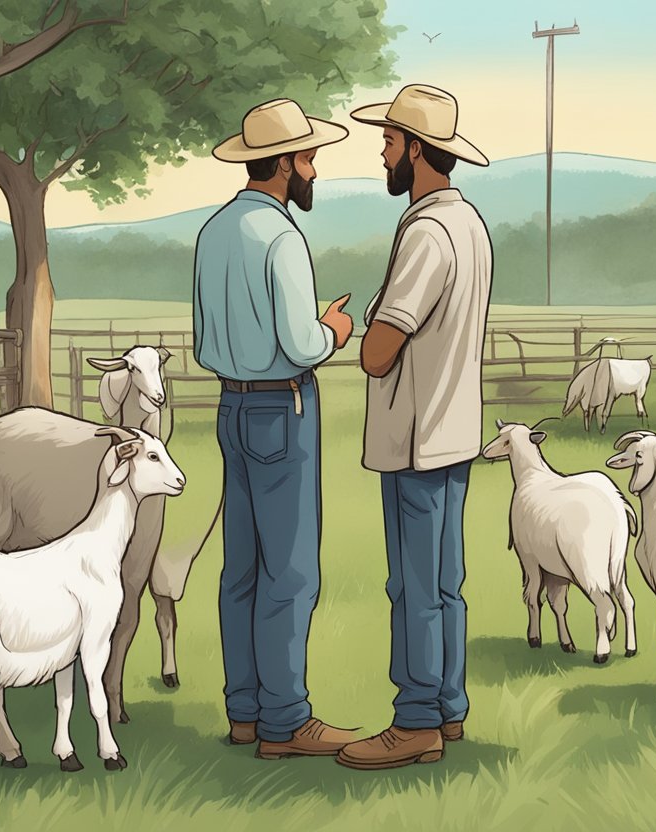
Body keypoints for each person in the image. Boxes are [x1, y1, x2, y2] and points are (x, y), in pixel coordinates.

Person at [193, 98, 357, 760]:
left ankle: (245, 710)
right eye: (309, 157)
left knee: (243, 567)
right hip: (282, 406)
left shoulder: (214, 231)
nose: (314, 168)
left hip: (231, 406)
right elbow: (302, 340)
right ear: (286, 163)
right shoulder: (282, 237)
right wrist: (335, 329)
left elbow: (206, 344)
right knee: (288, 570)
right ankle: (286, 721)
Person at [336, 84, 493, 771]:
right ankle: (449, 709)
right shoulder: (469, 224)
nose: (383, 152)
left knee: (414, 585)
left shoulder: (427, 233)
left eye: (392, 142)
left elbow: (378, 352)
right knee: (444, 580)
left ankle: (416, 720)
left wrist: (359, 331)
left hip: (415, 435)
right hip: (450, 429)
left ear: (418, 152)